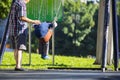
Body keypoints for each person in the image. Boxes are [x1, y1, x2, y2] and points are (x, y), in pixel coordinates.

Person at [9, 0, 40, 71]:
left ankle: (17, 65)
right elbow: (22, 17)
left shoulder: (15, 3)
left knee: (16, 49)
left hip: (12, 29)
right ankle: (18, 66)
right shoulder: (21, 4)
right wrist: (34, 21)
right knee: (20, 48)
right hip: (20, 30)